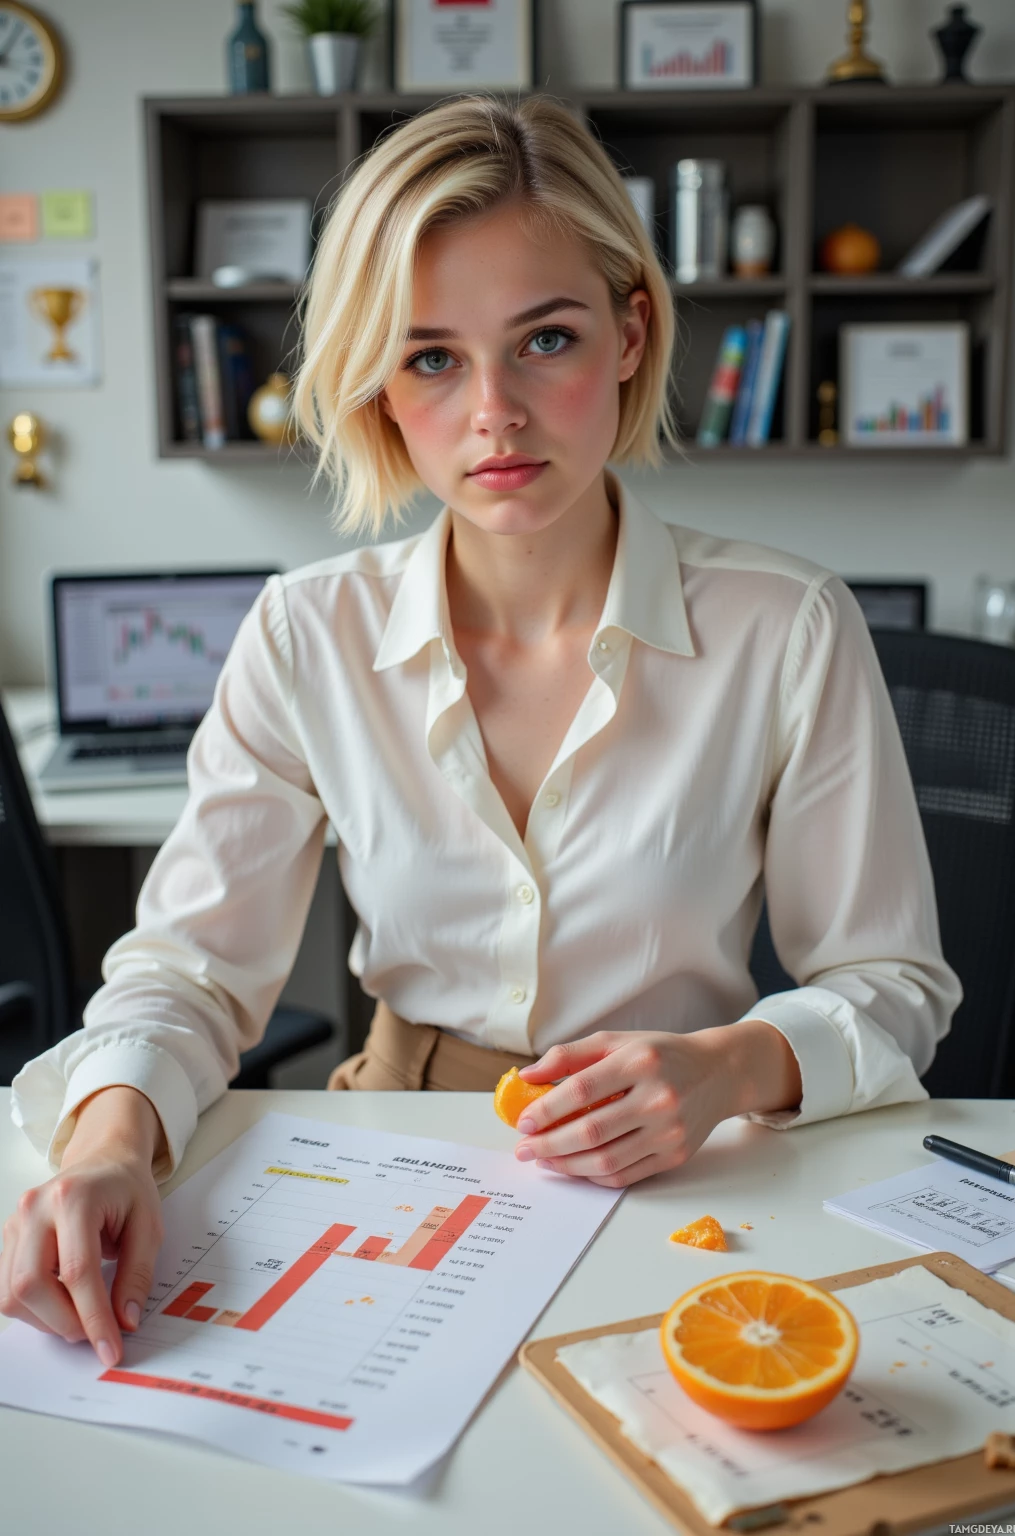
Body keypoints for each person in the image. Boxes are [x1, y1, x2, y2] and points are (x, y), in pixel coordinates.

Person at [1, 93, 961, 1372]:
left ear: (628, 335)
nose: (494, 411)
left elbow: (893, 991)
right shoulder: (306, 633)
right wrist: (110, 1138)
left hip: (688, 1180)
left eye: (545, 339)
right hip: (393, 1151)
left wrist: (730, 1069)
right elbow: (187, 972)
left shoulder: (787, 626)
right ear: (379, 388)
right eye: (433, 357)